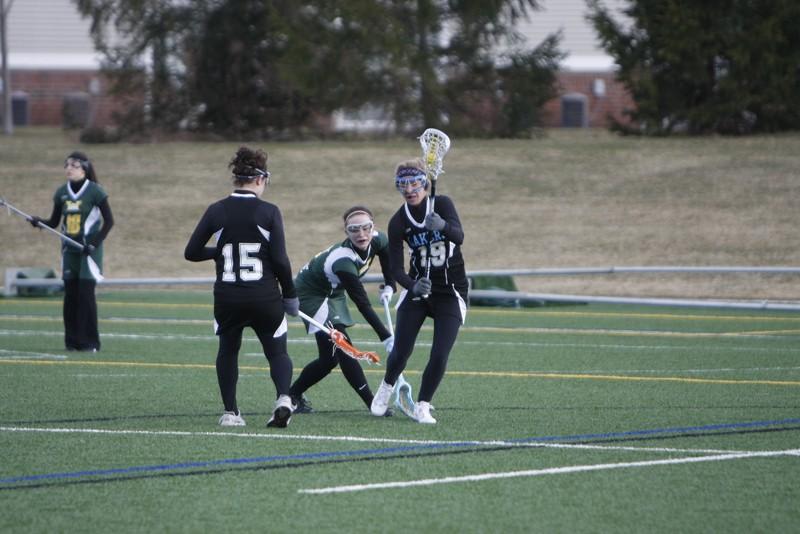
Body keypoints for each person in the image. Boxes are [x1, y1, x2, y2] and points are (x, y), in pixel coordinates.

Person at [184, 146, 299, 429]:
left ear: (236, 178)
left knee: (228, 350)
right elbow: (280, 260)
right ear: (261, 179)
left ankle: (230, 412)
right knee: (277, 352)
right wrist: (290, 294)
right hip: (264, 295)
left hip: (228, 296)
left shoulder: (217, 210)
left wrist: (222, 251)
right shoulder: (269, 211)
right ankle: (284, 398)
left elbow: (192, 252)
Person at [370, 158, 468, 424]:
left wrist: (443, 226)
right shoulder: (397, 221)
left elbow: (459, 236)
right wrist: (412, 285)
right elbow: (395, 270)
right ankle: (387, 386)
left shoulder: (443, 204)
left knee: (440, 353)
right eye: (403, 184)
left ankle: (423, 404)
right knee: (401, 350)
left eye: (414, 182)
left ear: (425, 183)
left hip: (450, 290)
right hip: (418, 290)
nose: (410, 189)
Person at [289, 205, 396, 414]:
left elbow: (387, 255)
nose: (361, 234)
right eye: (354, 229)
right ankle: (373, 403)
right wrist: (385, 337)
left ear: (373, 227)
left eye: (366, 227)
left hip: (333, 291)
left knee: (329, 359)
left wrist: (391, 284)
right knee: (344, 347)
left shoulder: (378, 239)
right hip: (311, 295)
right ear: (346, 232)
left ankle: (291, 394)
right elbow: (362, 303)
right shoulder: (343, 260)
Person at [29, 151, 114, 352]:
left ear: (84, 168)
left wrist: (93, 244)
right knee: (70, 297)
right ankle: (72, 341)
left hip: (88, 251)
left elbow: (109, 222)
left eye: (74, 165)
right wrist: (38, 222)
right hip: (69, 251)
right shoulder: (61, 193)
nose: (69, 168)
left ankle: (90, 342)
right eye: (66, 165)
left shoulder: (95, 191)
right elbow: (54, 222)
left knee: (85, 295)